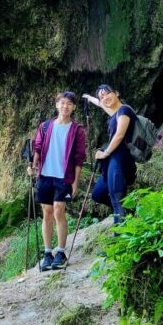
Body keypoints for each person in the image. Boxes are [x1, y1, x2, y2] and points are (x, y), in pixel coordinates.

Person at [28, 91, 86, 270]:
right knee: (47, 212)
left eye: (69, 103)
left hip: (64, 176)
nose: (65, 106)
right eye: (62, 103)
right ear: (56, 105)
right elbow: (37, 148)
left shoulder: (77, 130)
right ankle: (47, 253)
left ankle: (60, 251)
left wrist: (75, 182)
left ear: (73, 107)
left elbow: (79, 158)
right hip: (45, 174)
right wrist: (32, 166)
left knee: (59, 211)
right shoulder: (45, 126)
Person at [82, 85, 137, 225]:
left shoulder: (124, 110)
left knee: (116, 197)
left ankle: (120, 236)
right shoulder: (115, 114)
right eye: (102, 96)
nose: (105, 98)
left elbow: (119, 135)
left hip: (121, 160)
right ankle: (129, 213)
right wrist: (89, 98)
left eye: (107, 93)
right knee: (98, 194)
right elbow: (102, 105)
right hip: (112, 162)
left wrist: (105, 153)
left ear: (116, 93)